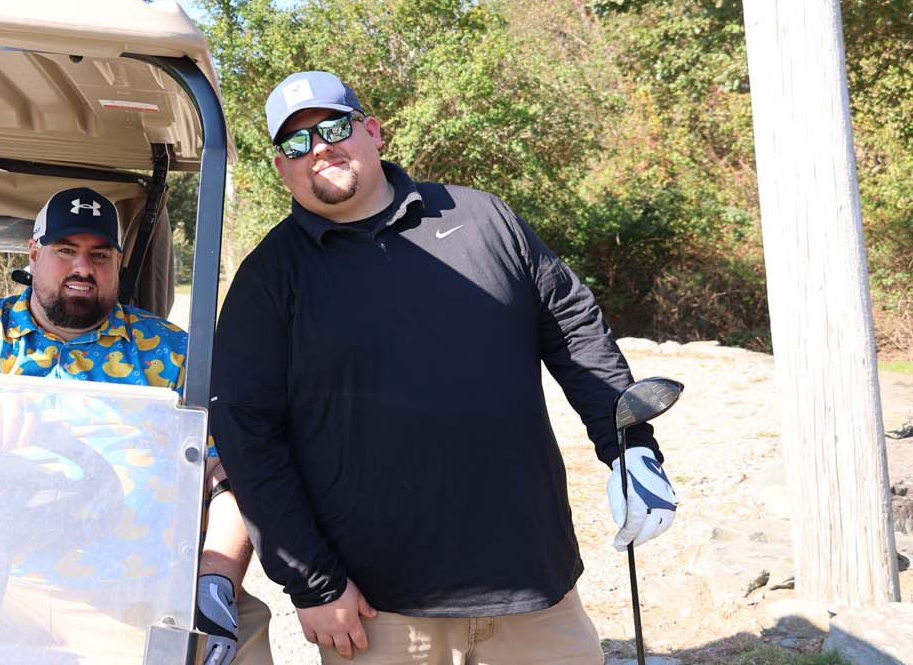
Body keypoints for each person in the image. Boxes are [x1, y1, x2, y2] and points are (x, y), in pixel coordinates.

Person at [208, 72, 678, 665]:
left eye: (334, 128)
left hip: (535, 588)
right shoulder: (268, 277)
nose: (319, 148)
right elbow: (248, 434)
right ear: (282, 168)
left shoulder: (483, 218)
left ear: (372, 131)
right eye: (296, 142)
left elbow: (573, 326)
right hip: (381, 615)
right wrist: (314, 583)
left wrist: (629, 447)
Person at [0, 186, 270, 665]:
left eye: (100, 254)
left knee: (241, 644)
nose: (82, 268)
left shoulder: (172, 351)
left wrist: (216, 575)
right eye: (66, 250)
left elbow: (227, 473)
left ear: (118, 262)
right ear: (34, 253)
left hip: (126, 589)